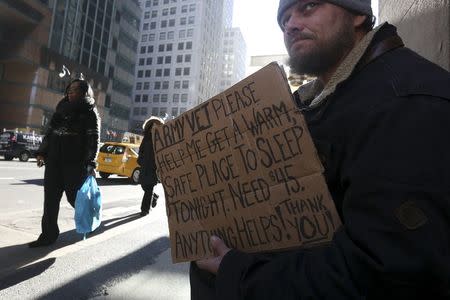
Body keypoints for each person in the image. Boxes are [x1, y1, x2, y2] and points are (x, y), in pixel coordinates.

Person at [192, 0, 450, 299]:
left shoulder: (406, 103)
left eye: (308, 7)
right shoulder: (315, 103)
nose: (290, 25)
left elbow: (389, 275)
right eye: (284, 18)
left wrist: (238, 272)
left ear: (357, 15)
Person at [29, 78, 100, 248]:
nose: (70, 91)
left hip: (75, 164)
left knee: (74, 198)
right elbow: (50, 132)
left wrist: (91, 162)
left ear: (84, 92)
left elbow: (93, 138)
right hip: (54, 161)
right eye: (70, 88)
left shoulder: (89, 111)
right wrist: (41, 152)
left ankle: (89, 221)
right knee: (50, 200)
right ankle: (48, 235)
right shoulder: (61, 108)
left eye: (75, 89)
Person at [138, 116, 163, 217]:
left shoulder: (161, 139)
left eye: (156, 126)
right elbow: (141, 150)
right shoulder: (146, 138)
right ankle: (154, 197)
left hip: (153, 168)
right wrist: (141, 160)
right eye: (152, 126)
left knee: (149, 188)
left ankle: (145, 209)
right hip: (144, 166)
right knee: (144, 186)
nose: (154, 128)